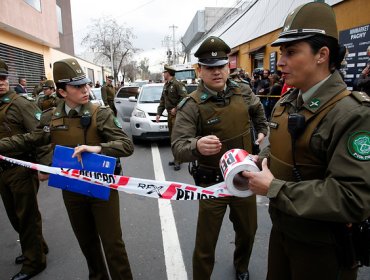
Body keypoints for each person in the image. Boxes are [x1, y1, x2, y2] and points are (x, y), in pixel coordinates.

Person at [242, 3, 370, 280]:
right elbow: (280, 146)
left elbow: (352, 198)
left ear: (322, 55)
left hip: (323, 250)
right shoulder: (288, 102)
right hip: (283, 233)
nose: (281, 62)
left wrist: (274, 189)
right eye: (280, 53)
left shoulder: (351, 114)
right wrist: (259, 158)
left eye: (290, 52)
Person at [0, 58, 134, 279]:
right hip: (72, 191)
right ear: (62, 92)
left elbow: (126, 145)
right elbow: (30, 139)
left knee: (113, 245)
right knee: (87, 244)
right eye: (78, 86)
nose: (85, 89)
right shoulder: (51, 118)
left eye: (85, 84)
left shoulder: (100, 114)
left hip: (102, 189)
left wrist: (98, 147)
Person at [171, 36, 268, 280]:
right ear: (200, 70)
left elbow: (258, 111)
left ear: (228, 67)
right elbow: (178, 147)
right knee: (206, 242)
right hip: (212, 183)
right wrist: (197, 146)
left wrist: (262, 129)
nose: (217, 72)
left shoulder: (243, 92)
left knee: (248, 231)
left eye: (221, 66)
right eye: (210, 68)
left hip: (245, 179)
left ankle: (242, 267)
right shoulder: (191, 105)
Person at [0, 58, 48, 280]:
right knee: (14, 217)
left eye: (3, 78)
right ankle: (36, 246)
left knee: (27, 217)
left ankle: (34, 262)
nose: (1, 83)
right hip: (3, 171)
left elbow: (42, 135)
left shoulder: (21, 103)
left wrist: (44, 166)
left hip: (20, 167)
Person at [156, 65, 187, 171]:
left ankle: (178, 160)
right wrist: (158, 113)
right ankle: (176, 158)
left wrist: (176, 108)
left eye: (164, 72)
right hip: (170, 115)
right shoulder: (166, 85)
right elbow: (162, 101)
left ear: (168, 73)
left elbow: (185, 98)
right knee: (172, 138)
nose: (163, 74)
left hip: (177, 115)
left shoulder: (177, 84)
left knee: (176, 138)